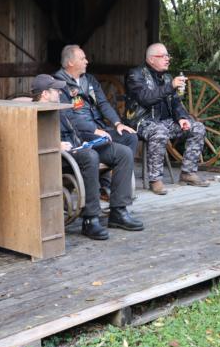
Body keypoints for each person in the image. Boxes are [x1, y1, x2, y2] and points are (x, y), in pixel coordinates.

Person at [31, 74, 143, 240]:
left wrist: (92, 138)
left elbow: (75, 130)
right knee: (90, 156)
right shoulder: (33, 112)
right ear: (44, 94)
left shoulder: (58, 107)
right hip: (60, 157)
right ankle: (90, 219)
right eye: (56, 90)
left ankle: (118, 211)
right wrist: (55, 144)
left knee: (123, 153)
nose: (60, 92)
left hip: (78, 147)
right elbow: (30, 141)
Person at [54, 45, 138, 201]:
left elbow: (103, 103)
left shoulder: (89, 79)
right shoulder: (59, 83)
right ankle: (103, 185)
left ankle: (115, 186)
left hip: (99, 129)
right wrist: (93, 129)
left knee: (129, 137)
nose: (87, 61)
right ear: (71, 62)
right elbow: (68, 116)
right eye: (82, 58)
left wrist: (117, 123)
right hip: (80, 133)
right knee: (105, 142)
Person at [124, 43, 210, 195]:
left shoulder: (167, 77)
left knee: (197, 128)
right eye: (163, 56)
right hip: (141, 122)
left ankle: (188, 173)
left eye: (167, 56)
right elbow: (145, 98)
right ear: (151, 59)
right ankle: (155, 180)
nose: (167, 59)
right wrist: (170, 86)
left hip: (164, 122)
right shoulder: (135, 75)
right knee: (159, 131)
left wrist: (182, 118)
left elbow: (176, 103)